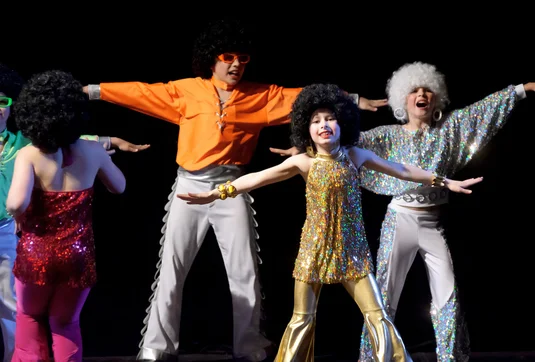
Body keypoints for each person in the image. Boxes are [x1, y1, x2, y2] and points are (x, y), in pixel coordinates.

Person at [81, 20, 386, 362]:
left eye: (243, 57)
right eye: (229, 56)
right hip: (189, 186)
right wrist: (93, 90)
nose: (237, 64)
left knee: (244, 269)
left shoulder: (260, 96)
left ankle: (249, 345)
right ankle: (157, 346)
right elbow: (142, 92)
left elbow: (305, 97)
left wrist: (355, 99)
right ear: (212, 59)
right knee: (172, 268)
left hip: (231, 187)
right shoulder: (187, 91)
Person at [178, 83, 483, 362]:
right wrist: (217, 192)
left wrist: (444, 182)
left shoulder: (355, 155)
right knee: (301, 320)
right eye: (315, 121)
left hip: (353, 252)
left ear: (342, 123)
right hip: (313, 251)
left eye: (329, 119)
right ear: (306, 130)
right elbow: (257, 178)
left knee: (378, 316)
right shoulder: (303, 162)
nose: (323, 125)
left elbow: (401, 169)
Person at [273, 63, 535, 361]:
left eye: (427, 90)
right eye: (414, 91)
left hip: (433, 223)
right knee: (382, 294)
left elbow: (482, 109)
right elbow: (337, 143)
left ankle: (450, 358)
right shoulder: (385, 135)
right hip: (400, 220)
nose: (421, 95)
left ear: (436, 98)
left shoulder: (451, 128)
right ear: (402, 100)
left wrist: (521, 90)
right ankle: (373, 358)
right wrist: (303, 149)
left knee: (448, 293)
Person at [0, 63, 147, 362]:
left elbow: (15, 204)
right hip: (78, 256)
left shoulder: (28, 152)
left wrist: (20, 216)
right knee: (66, 324)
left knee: (28, 318)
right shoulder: (90, 153)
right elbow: (119, 187)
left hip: (36, 252)